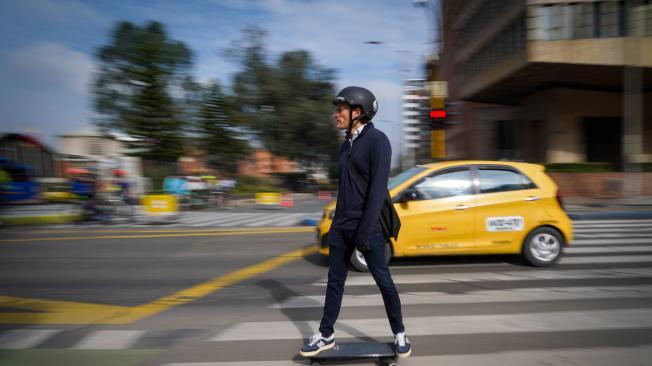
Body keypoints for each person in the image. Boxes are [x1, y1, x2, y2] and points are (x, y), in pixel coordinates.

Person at [300, 86, 411, 358]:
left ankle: (400, 334)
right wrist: (339, 221)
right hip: (342, 226)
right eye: (336, 109)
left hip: (368, 227)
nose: (335, 114)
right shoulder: (345, 145)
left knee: (383, 280)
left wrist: (364, 231)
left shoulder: (378, 141)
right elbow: (347, 188)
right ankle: (326, 334)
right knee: (334, 281)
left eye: (340, 109)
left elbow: (376, 191)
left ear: (357, 113)